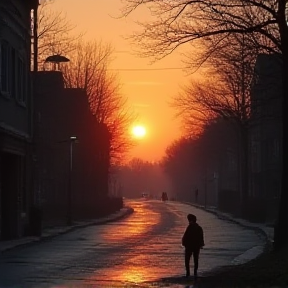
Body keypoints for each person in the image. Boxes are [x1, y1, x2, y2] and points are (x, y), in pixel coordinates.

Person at [181, 214, 204, 280]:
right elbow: (201, 237)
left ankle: (188, 273)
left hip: (189, 246)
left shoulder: (190, 227)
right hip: (196, 246)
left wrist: (184, 243)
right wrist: (201, 244)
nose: (188, 221)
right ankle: (195, 273)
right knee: (195, 259)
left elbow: (185, 236)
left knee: (187, 260)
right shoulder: (199, 227)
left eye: (189, 220)